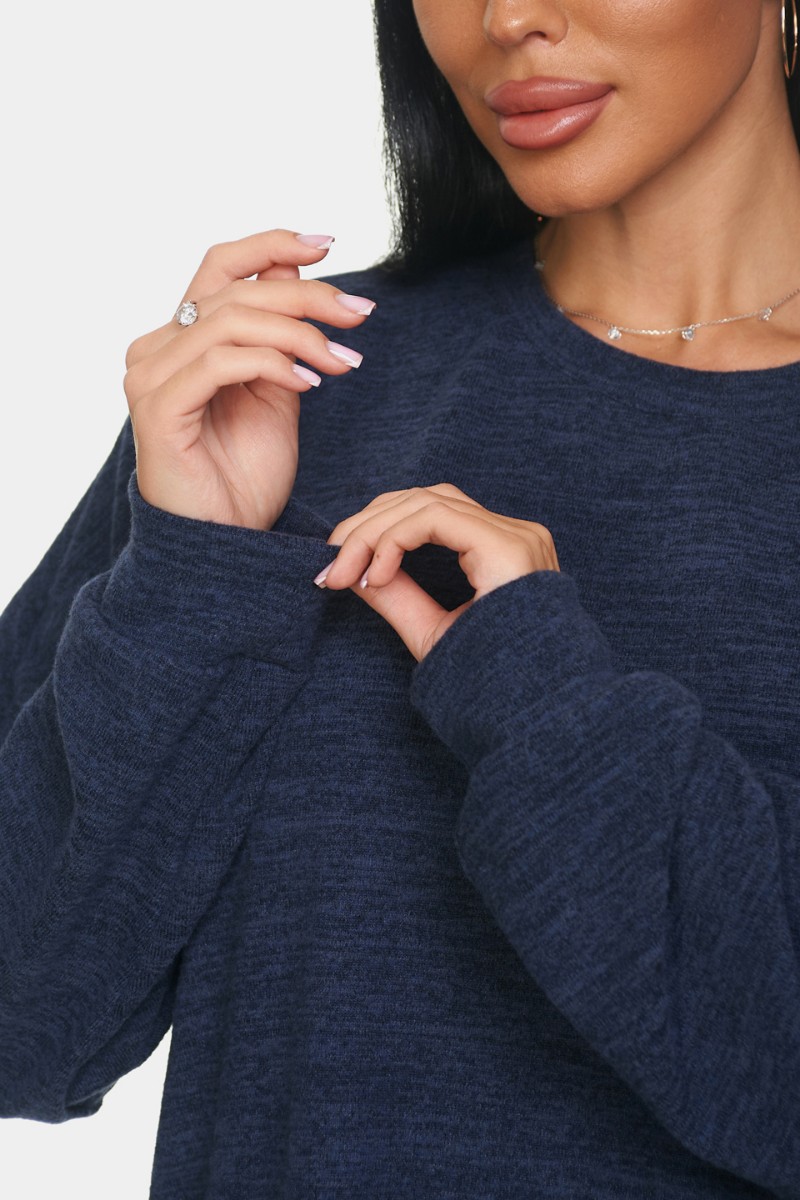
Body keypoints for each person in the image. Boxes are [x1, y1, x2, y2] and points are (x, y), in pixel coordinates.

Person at [1, 0, 799, 1196]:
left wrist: (540, 700)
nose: (506, 17)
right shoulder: (296, 379)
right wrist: (189, 575)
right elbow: (23, 1025)